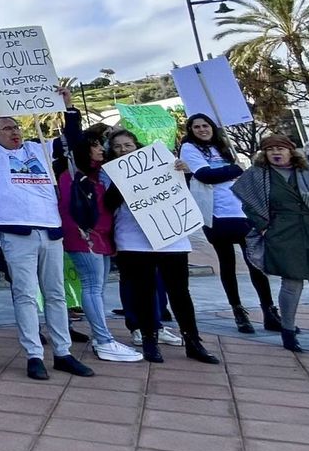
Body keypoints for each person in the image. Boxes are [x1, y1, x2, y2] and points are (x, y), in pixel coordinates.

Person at [0, 78, 92, 381]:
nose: (15, 132)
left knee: (56, 294)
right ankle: (34, 354)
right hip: (16, 233)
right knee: (24, 294)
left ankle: (63, 352)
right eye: (7, 128)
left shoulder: (40, 149)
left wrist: (69, 106)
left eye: (17, 127)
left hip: (49, 231)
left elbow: (74, 141)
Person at [103, 130, 219, 365]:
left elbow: (179, 194)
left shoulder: (161, 167)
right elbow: (107, 204)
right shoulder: (109, 174)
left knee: (180, 293)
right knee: (143, 293)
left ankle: (193, 340)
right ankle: (149, 339)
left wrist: (183, 173)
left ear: (138, 146)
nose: (124, 149)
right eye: (118, 146)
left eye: (128, 144)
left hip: (171, 238)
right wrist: (122, 182)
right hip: (134, 241)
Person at [232, 135, 309, 358]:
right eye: (270, 150)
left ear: (291, 151)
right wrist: (265, 228)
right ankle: (288, 331)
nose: (276, 153)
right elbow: (249, 205)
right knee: (291, 285)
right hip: (284, 236)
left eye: (280, 149)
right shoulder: (258, 176)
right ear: (264, 154)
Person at [55, 93, 142, 363]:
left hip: (103, 237)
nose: (102, 148)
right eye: (96, 145)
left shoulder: (103, 173)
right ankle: (104, 340)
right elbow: (73, 137)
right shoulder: (72, 170)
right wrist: (69, 108)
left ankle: (101, 337)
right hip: (84, 236)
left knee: (97, 289)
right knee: (92, 288)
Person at [181, 114, 278, 333]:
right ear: (190, 130)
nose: (202, 129)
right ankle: (238, 311)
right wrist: (234, 170)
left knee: (256, 263)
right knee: (227, 264)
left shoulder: (224, 148)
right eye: (196, 127)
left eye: (205, 125)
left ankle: (269, 311)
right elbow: (205, 175)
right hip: (216, 213)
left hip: (241, 211)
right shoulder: (189, 148)